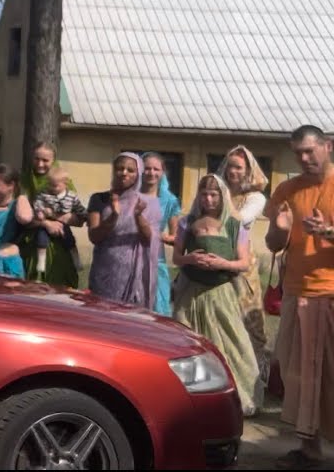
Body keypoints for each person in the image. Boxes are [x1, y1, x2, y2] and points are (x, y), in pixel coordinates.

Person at [265, 126, 334, 470]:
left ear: (328, 146)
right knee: (300, 376)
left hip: (331, 293)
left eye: (310, 151)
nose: (304, 159)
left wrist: (329, 232)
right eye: (298, 153)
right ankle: (309, 449)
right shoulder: (287, 189)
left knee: (331, 376)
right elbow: (273, 244)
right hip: (295, 293)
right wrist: (279, 227)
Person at [170, 174, 259, 416]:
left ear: (222, 196)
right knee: (189, 345)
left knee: (230, 343)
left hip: (221, 294)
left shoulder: (235, 224)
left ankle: (234, 397)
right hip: (191, 293)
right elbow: (176, 258)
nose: (208, 199)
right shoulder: (187, 223)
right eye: (204, 193)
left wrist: (222, 263)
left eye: (214, 194)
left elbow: (243, 263)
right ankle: (191, 398)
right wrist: (191, 259)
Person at [216, 144, 271, 396]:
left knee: (248, 326)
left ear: (248, 171)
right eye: (230, 166)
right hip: (216, 265)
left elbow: (239, 220)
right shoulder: (215, 193)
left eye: (238, 167)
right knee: (221, 324)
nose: (232, 171)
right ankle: (224, 385)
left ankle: (252, 389)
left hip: (241, 269)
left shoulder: (256, 197)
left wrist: (220, 198)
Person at [87, 153, 165, 309]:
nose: (124, 173)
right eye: (120, 168)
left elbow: (150, 238)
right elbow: (94, 236)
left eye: (130, 170)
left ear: (138, 174)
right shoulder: (99, 199)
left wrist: (138, 216)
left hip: (134, 274)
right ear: (113, 170)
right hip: (105, 269)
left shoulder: (148, 203)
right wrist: (114, 216)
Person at [18, 142, 78, 288]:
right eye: (36, 159)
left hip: (60, 245)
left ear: (54, 160)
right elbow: (20, 216)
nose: (40, 164)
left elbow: (77, 218)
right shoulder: (24, 180)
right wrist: (45, 223)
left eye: (45, 160)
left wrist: (56, 218)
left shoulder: (64, 181)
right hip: (32, 243)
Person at [141, 152, 183, 317]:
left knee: (156, 307)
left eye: (156, 169)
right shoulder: (129, 195)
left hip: (154, 258)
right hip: (128, 254)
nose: (151, 173)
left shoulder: (170, 200)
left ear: (162, 172)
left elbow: (176, 236)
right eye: (147, 168)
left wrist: (158, 236)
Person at [30, 167, 86, 278]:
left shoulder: (71, 196)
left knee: (69, 239)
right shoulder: (44, 194)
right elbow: (38, 203)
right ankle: (41, 261)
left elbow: (79, 208)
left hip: (63, 223)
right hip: (47, 221)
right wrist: (40, 211)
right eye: (49, 184)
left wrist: (86, 216)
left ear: (65, 184)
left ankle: (76, 259)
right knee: (41, 238)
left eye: (55, 186)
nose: (52, 188)